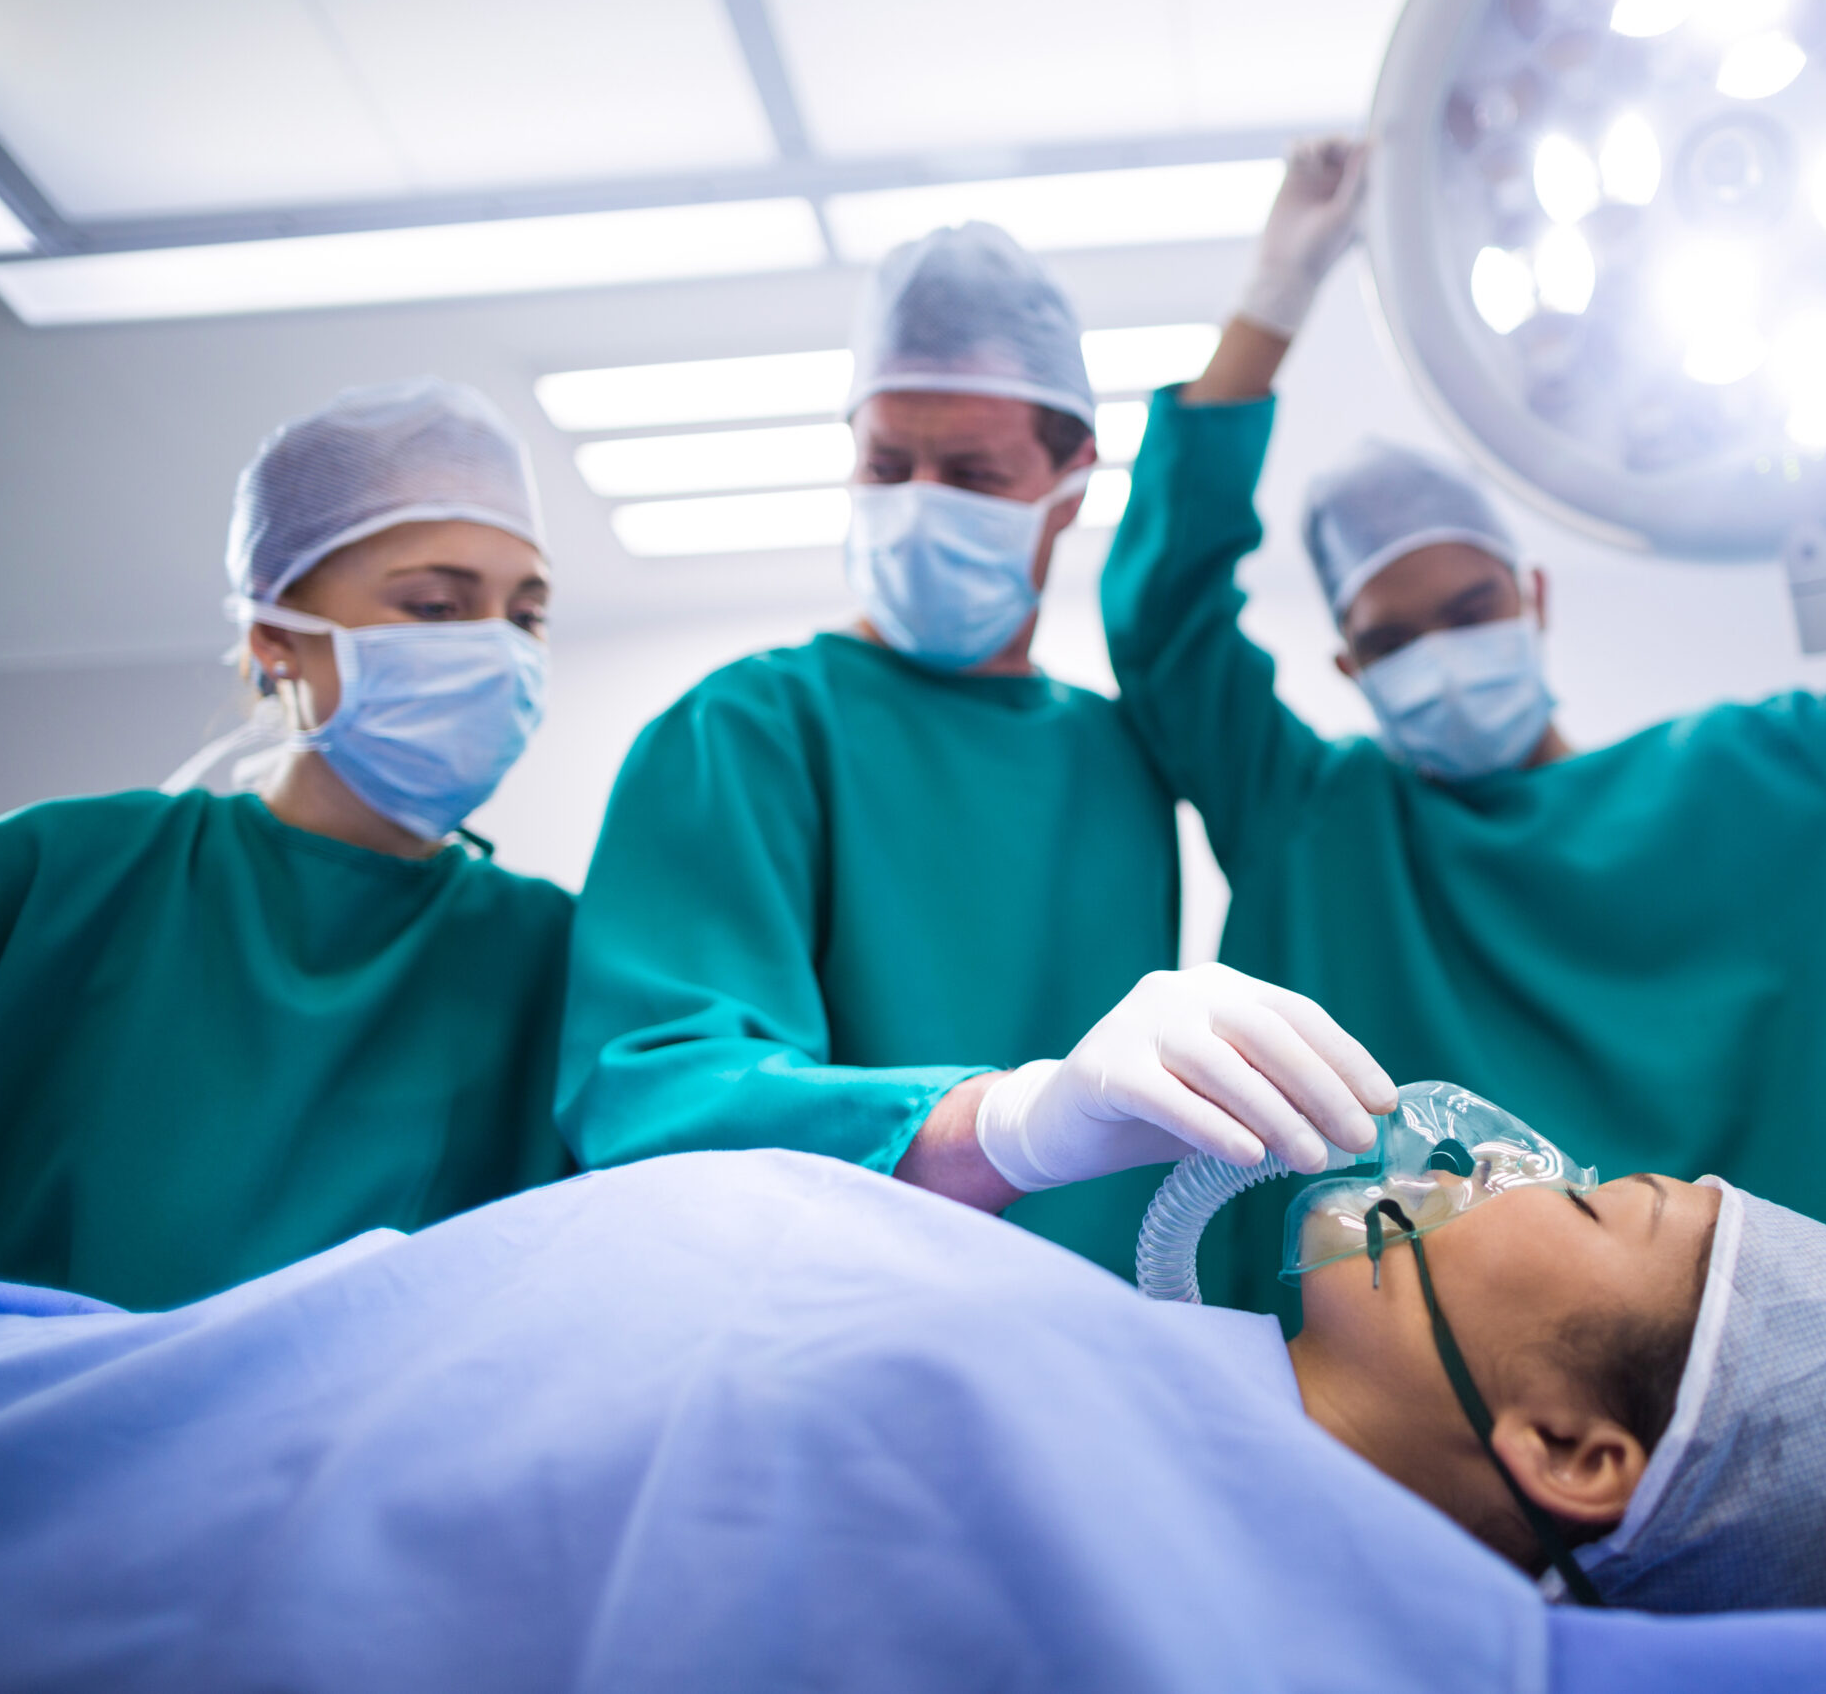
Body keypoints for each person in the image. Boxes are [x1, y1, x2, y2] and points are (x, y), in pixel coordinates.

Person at [1100, 111, 1826, 1297]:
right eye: (1391, 638)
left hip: (1776, 1437)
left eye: (1466, 608)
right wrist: (1273, 295)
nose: (1438, 654)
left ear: (1532, 595)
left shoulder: (1778, 782)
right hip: (1401, 1455)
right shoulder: (1320, 824)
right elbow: (1163, 625)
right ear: (1348, 670)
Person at [0, 1090, 1826, 1692]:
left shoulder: (1224, 1620)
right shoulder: (1156, 1386)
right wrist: (987, 1135)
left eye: (1604, 1198)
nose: (1510, 1160)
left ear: (1570, 1449)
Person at [559, 222, 1398, 1273]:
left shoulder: (1120, 755)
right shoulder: (742, 730)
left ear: (1070, 484)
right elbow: (659, 1095)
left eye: (970, 473)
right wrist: (1001, 1125)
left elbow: (1176, 597)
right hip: (822, 1346)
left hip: (1097, 1337)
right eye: (887, 463)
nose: (918, 503)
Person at [0, 380, 573, 1311]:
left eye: (525, 617)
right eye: (438, 608)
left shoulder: (553, 951)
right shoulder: (56, 876)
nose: (496, 648)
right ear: (276, 638)